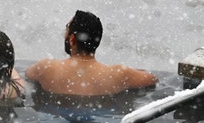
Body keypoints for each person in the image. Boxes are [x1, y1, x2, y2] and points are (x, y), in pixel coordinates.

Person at [25, 10, 157, 97]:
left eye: (66, 29)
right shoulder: (119, 74)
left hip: (56, 120)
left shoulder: (46, 68)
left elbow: (27, 75)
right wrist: (132, 72)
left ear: (72, 39)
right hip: (102, 118)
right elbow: (152, 79)